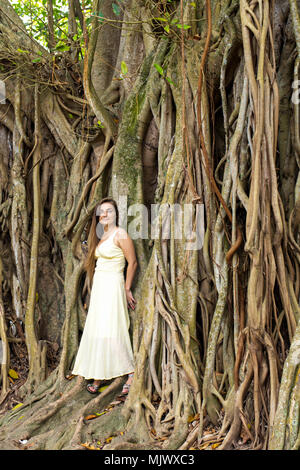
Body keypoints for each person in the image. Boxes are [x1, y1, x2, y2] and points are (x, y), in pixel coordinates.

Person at [72, 197, 137, 394]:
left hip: (113, 285)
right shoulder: (100, 237)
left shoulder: (120, 234)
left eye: (109, 211)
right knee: (98, 329)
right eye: (102, 211)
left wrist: (126, 289)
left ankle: (131, 372)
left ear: (116, 214)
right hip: (100, 287)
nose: (105, 214)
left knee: (114, 327)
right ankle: (99, 374)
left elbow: (132, 263)